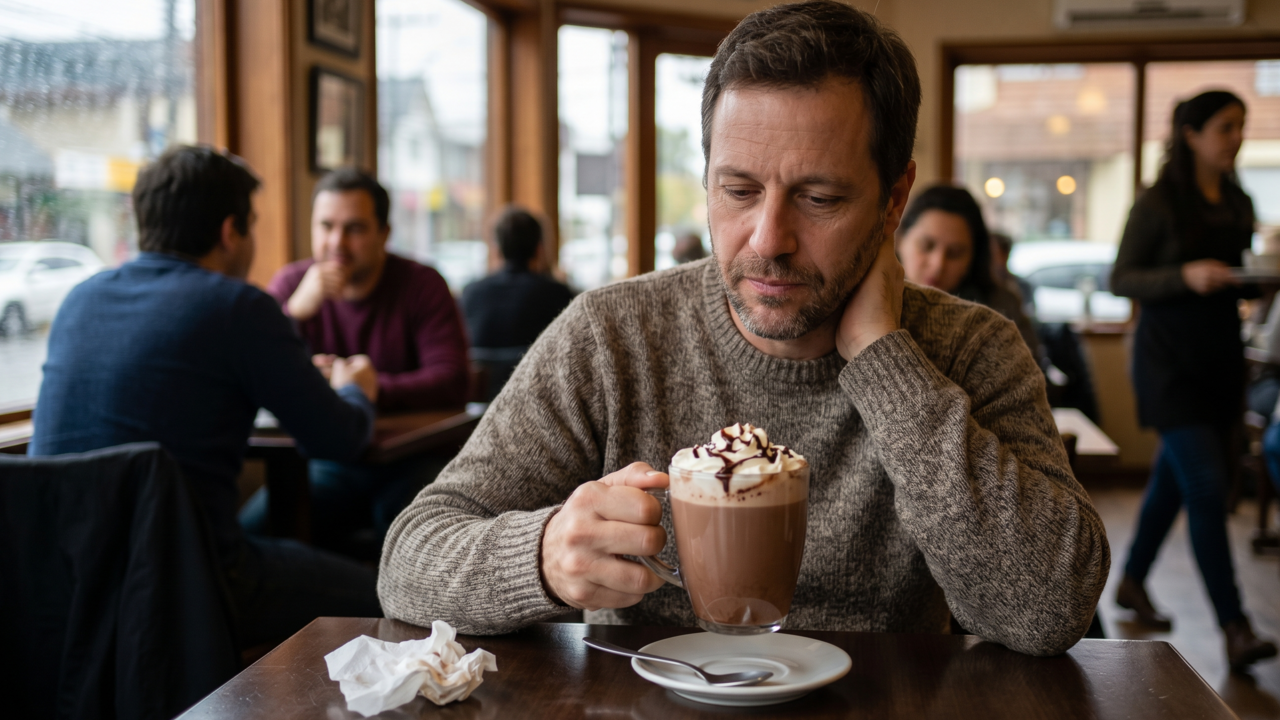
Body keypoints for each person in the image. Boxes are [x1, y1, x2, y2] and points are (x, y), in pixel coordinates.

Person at [378, 0, 1109, 657]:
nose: (767, 239)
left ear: (894, 202)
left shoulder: (968, 350)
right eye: (738, 190)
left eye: (818, 197)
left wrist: (884, 357)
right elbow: (409, 559)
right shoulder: (613, 336)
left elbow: (1048, 610)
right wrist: (539, 557)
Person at [28, 145, 383, 647]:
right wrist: (355, 391)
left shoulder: (78, 300)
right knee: (390, 592)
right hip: (192, 578)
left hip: (62, 582)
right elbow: (339, 441)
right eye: (252, 225)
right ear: (229, 231)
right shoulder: (236, 307)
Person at [1111, 89, 1276, 671]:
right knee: (1206, 487)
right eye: (1226, 127)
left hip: (1218, 361)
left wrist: (1258, 280)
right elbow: (1121, 278)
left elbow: (1238, 279)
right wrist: (1184, 275)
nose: (1236, 137)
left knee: (1173, 483)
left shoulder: (1236, 199)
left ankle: (1131, 582)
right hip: (1167, 364)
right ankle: (1234, 627)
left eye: (1240, 126)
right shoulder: (1159, 202)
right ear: (1192, 134)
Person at [238, 168, 470, 556]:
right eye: (326, 226)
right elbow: (248, 371)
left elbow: (452, 379)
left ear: (384, 233)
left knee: (409, 551)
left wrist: (368, 388)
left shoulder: (422, 284)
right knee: (251, 535)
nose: (336, 242)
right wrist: (295, 312)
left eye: (355, 228)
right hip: (327, 463)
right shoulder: (292, 284)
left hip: (414, 463)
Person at [896, 184, 1043, 365]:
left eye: (955, 253)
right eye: (927, 246)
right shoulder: (872, 300)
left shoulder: (1000, 307)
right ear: (900, 240)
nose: (938, 265)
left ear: (973, 258)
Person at [461, 206, 573, 401]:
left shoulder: (471, 292)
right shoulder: (557, 293)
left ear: (496, 249)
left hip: (478, 412)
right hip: (537, 405)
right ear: (539, 248)